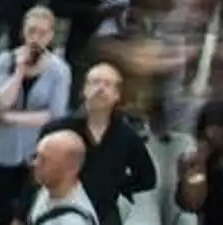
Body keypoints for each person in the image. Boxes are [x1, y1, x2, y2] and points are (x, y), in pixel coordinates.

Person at [0, 7, 71, 225]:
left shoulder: (59, 71)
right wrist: (19, 72)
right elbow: (0, 101)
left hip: (36, 152)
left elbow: (55, 115)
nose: (36, 38)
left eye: (42, 33)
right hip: (1, 151)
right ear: (23, 32)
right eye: (32, 31)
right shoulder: (5, 61)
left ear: (51, 36)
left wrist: (11, 119)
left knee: (27, 214)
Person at [41, 63, 156, 225]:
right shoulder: (57, 129)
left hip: (104, 215)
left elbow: (147, 178)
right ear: (84, 90)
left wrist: (116, 185)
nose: (100, 88)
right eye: (95, 82)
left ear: (117, 95)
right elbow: (37, 175)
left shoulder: (127, 136)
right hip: (61, 213)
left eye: (108, 84)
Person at [29, 129, 100, 223]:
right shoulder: (48, 187)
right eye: (36, 156)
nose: (35, 164)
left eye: (44, 160)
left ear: (70, 169)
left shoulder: (73, 221)